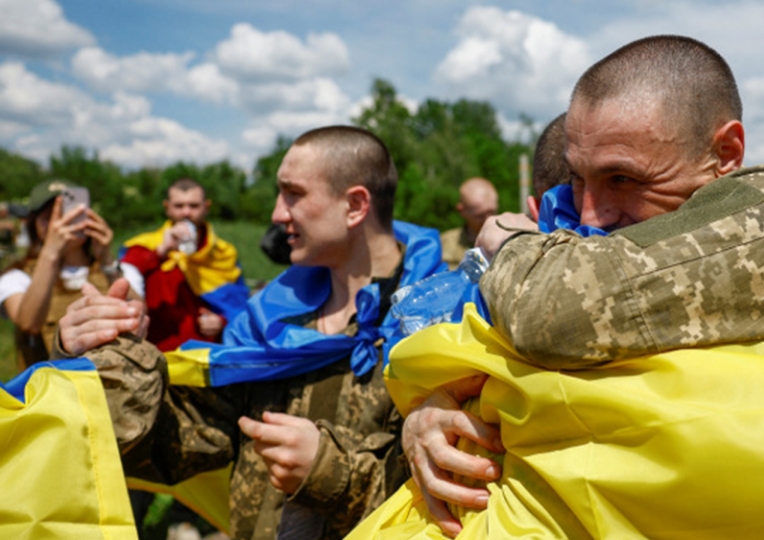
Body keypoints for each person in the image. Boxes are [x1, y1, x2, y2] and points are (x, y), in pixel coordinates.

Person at [382, 36, 764, 538]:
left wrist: (506, 241)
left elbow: (549, 313)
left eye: (622, 179)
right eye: (578, 180)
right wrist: (434, 415)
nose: (592, 213)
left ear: (725, 154)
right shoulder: (640, 257)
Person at [55, 126, 446, 540]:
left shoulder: (441, 327)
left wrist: (329, 469)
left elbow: (458, 495)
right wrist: (105, 356)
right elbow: (171, 445)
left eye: (293, 193)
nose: (277, 214)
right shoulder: (270, 323)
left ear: (354, 205)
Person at [0, 179, 119, 370]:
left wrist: (107, 259)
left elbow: (138, 313)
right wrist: (51, 252)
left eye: (69, 215)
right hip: (52, 393)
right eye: (50, 218)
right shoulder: (16, 277)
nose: (61, 224)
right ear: (34, 226)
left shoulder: (114, 269)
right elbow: (29, 324)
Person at [119, 178, 248, 352]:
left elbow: (240, 304)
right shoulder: (144, 247)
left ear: (206, 207)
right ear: (167, 207)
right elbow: (120, 278)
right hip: (157, 354)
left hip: (206, 354)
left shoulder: (223, 254)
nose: (186, 212)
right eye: (179, 206)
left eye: (194, 206)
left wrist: (222, 321)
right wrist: (160, 252)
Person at [440, 178, 498, 268]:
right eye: (480, 216)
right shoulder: (443, 246)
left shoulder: (508, 243)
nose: (488, 220)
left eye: (492, 212)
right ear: (461, 210)